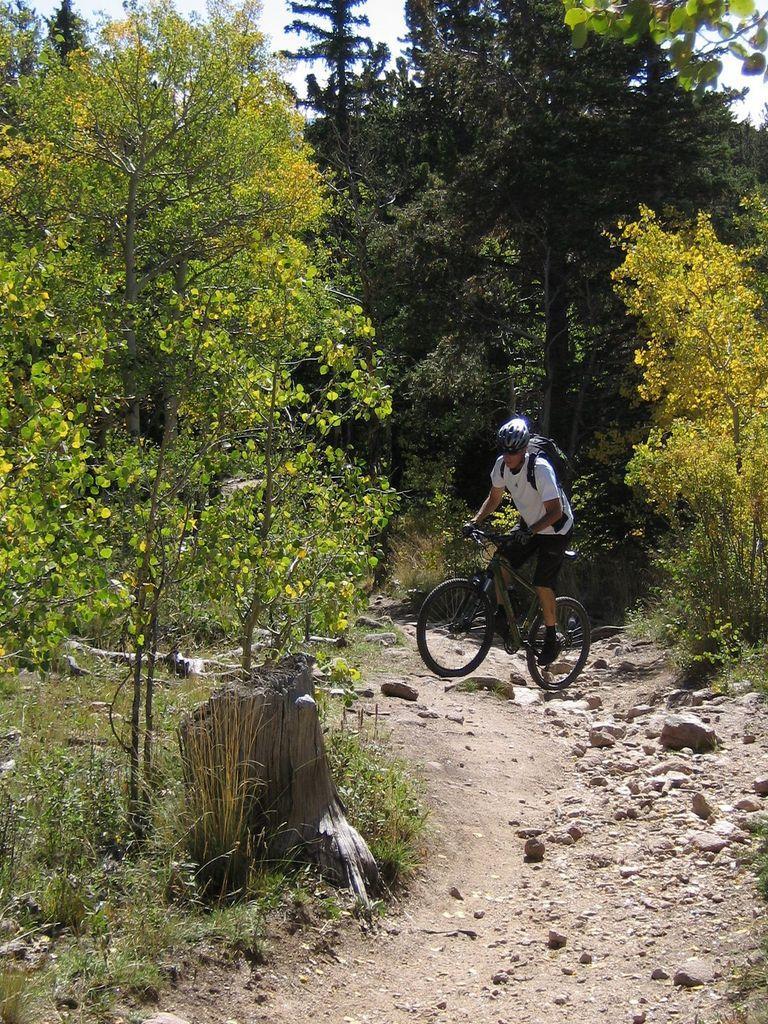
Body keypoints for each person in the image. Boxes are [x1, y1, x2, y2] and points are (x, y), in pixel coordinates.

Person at [465, 417, 573, 666]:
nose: (508, 456)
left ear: (524, 449)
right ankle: (505, 611)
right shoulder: (501, 466)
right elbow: (494, 498)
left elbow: (555, 512)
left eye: (513, 451)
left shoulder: (541, 468)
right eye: (504, 450)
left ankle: (550, 636)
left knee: (542, 583)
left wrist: (531, 531)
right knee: (501, 559)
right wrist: (475, 521)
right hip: (531, 523)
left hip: (556, 528)